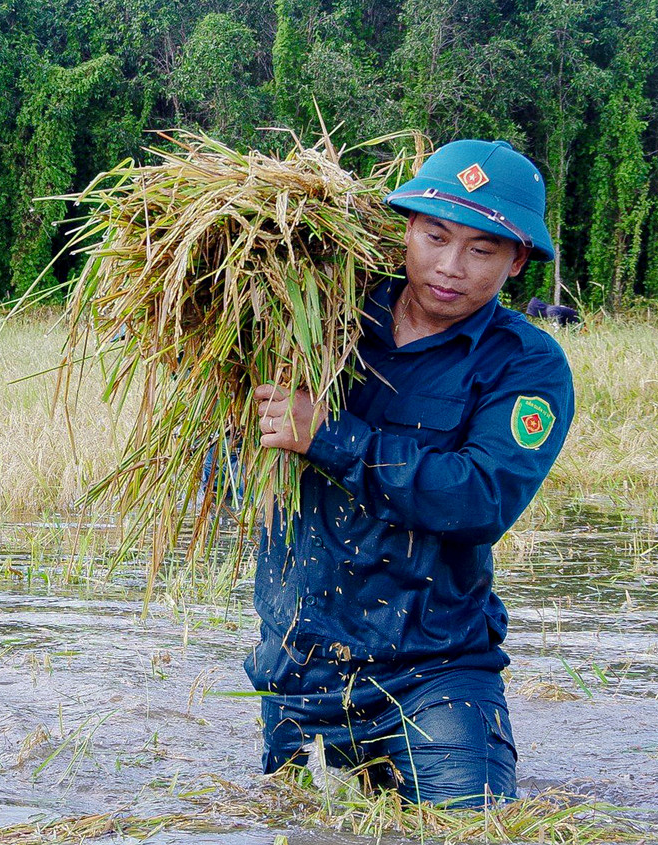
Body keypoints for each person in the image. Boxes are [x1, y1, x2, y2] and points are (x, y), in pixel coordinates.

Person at [246, 139, 574, 805]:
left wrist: (328, 437)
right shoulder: (317, 323)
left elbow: (480, 498)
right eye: (435, 236)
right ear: (407, 229)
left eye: (481, 250)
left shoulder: (525, 365)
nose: (450, 266)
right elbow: (234, 465)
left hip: (436, 671)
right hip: (301, 668)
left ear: (515, 261)